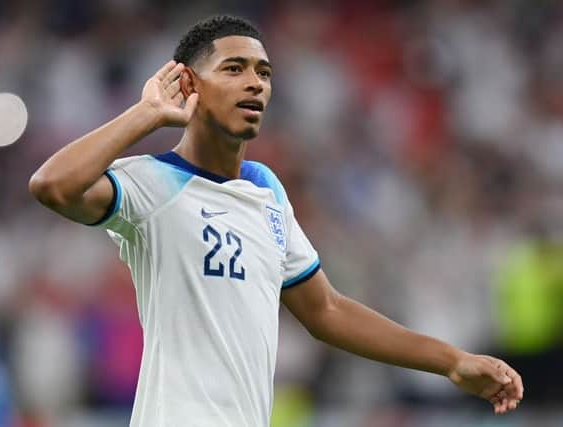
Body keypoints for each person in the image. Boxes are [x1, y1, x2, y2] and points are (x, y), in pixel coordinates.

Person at [29, 14, 523, 427]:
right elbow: (53, 185)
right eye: (235, 68)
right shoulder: (151, 184)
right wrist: (147, 114)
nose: (255, 83)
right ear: (188, 84)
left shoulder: (265, 190)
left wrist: (452, 361)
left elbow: (326, 311)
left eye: (263, 73)